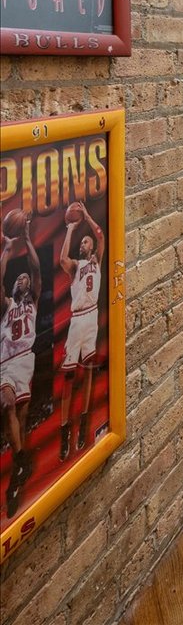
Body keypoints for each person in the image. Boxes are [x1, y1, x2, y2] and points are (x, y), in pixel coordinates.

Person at [0, 216, 41, 518]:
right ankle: (21, 459)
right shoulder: (7, 304)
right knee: (7, 404)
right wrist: (6, 250)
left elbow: (37, 269)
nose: (21, 280)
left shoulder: (32, 302)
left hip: (26, 358)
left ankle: (17, 472)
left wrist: (26, 238)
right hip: (5, 362)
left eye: (24, 280)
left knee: (22, 419)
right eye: (18, 279)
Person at [59, 202, 104, 461]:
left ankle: (84, 421)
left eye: (85, 242)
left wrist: (86, 215)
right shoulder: (75, 266)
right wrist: (70, 228)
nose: (84, 244)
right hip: (77, 321)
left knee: (88, 370)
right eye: (83, 242)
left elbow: (100, 236)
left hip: (92, 316)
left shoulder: (98, 260)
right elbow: (61, 259)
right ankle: (65, 428)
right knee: (68, 377)